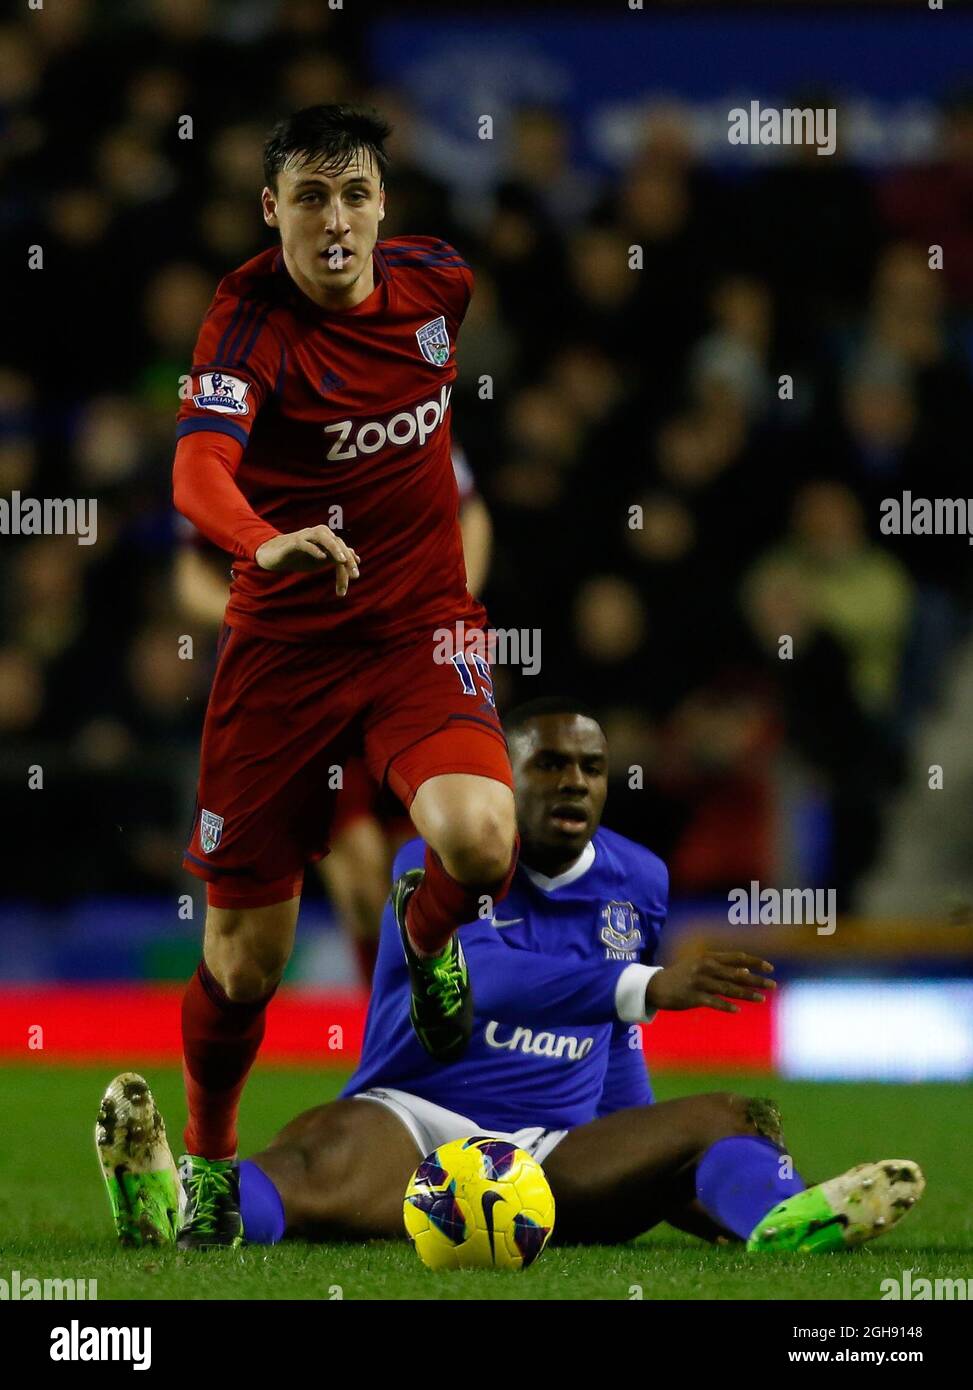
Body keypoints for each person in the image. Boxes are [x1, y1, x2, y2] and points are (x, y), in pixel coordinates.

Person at [96, 699, 923, 1253]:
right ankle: (168, 1208)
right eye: (549, 766)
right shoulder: (439, 859)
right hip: (413, 1121)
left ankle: (780, 1220)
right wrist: (643, 984)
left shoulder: (641, 878)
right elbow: (485, 976)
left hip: (554, 1153)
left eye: (590, 769)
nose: (574, 783)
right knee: (313, 1156)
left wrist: (648, 1155)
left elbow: (615, 1049)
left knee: (725, 1117)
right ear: (502, 780)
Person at [170, 104, 518, 1247]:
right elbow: (197, 470)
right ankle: (212, 1159)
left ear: (382, 204)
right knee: (244, 963)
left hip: (418, 627)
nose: (336, 219)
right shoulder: (246, 324)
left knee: (479, 841)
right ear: (270, 210)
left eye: (355, 193)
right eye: (309, 197)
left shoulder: (439, 284)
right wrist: (259, 538)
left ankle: (426, 942)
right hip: (284, 651)